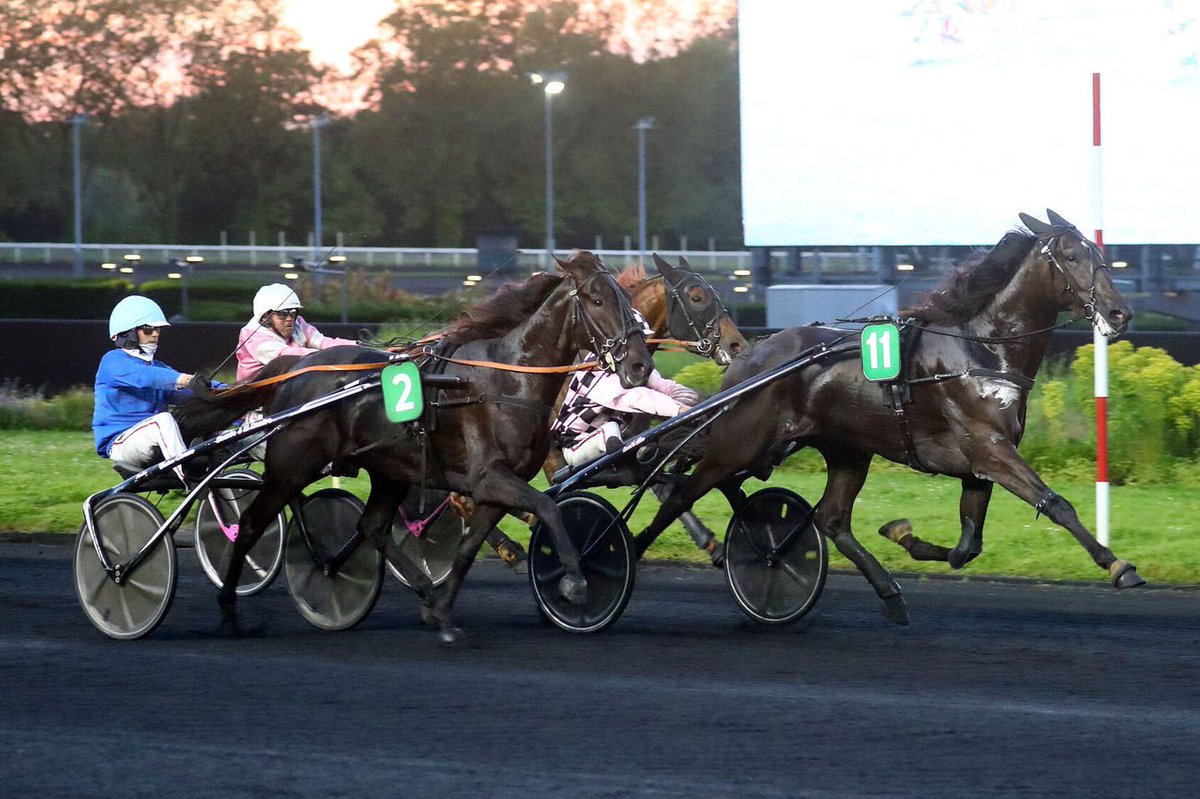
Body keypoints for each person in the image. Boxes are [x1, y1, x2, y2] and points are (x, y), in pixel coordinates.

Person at [93, 296, 197, 475]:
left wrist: (232, 392)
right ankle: (189, 476)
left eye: (157, 329)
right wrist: (184, 379)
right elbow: (145, 377)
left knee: (201, 416)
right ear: (129, 333)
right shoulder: (112, 361)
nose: (155, 334)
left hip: (150, 438)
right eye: (148, 329)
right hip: (120, 443)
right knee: (163, 420)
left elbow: (190, 393)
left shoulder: (159, 368)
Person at [234, 283, 357, 382]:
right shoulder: (254, 339)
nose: (289, 319)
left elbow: (324, 342)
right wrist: (333, 355)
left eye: (293, 313)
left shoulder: (298, 323)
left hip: (285, 387)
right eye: (282, 314)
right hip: (256, 400)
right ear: (266, 317)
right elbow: (288, 356)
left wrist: (358, 346)